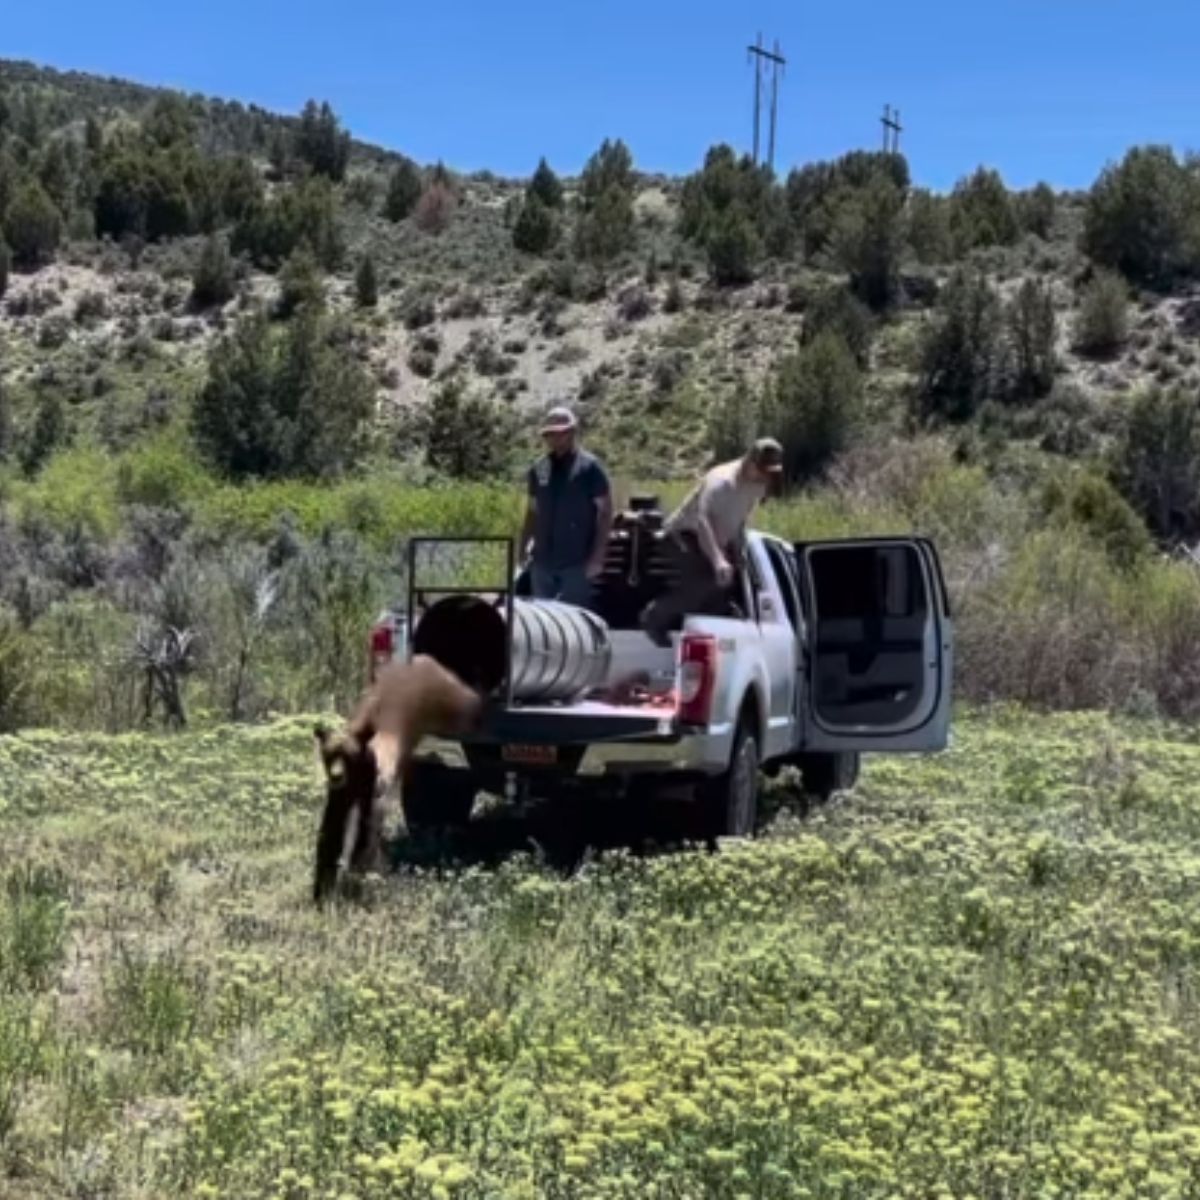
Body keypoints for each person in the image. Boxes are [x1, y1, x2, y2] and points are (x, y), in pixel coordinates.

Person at [639, 437, 784, 647]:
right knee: (704, 582)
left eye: (770, 472)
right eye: (762, 471)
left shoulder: (760, 483)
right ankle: (653, 617)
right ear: (750, 463)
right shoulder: (721, 481)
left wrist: (738, 552)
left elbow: (741, 519)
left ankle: (705, 639)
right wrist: (717, 560)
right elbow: (703, 521)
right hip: (683, 535)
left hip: (718, 537)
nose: (765, 477)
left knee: (723, 590)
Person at [519, 405, 613, 608]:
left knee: (574, 618)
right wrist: (522, 547)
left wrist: (597, 556)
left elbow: (605, 514)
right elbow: (533, 511)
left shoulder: (589, 468)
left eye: (561, 433)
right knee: (542, 619)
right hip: (542, 560)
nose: (556, 439)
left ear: (572, 432)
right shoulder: (540, 468)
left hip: (576, 561)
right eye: (550, 434)